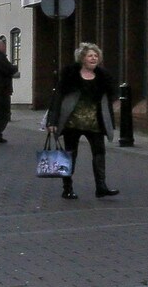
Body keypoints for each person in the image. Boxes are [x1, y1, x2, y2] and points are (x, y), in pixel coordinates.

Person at [44, 43, 119, 200]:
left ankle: (101, 187)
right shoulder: (70, 76)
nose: (94, 58)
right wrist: (52, 121)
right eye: (90, 55)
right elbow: (57, 99)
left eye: (96, 56)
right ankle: (67, 188)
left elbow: (110, 99)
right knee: (70, 155)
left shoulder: (103, 77)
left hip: (95, 124)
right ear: (82, 58)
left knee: (99, 154)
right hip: (73, 123)